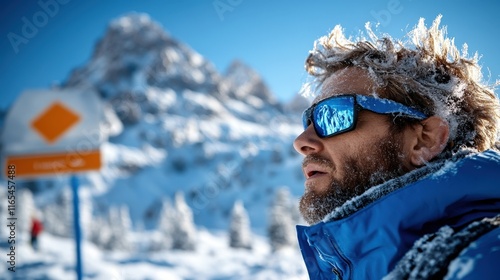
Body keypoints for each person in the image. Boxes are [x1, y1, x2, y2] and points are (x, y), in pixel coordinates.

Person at [293, 15, 500, 280]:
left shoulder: (486, 258)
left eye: (333, 115)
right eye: (309, 120)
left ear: (425, 138)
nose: (301, 142)